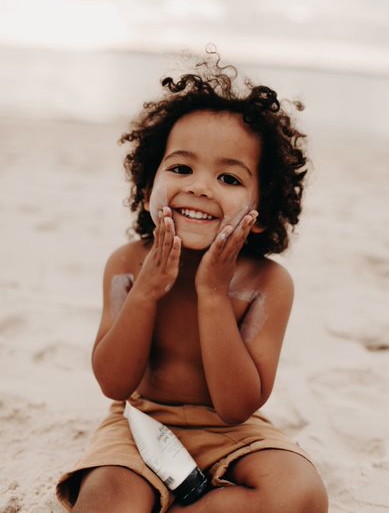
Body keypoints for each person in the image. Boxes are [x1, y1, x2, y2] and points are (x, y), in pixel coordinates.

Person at [56, 52, 328, 513]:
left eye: (228, 177)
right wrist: (146, 291)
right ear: (147, 190)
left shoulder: (266, 283)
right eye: (181, 169)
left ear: (261, 214)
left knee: (301, 493)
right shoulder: (127, 264)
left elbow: (237, 405)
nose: (200, 187)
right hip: (139, 424)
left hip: (231, 432)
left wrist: (213, 294)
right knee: (105, 500)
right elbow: (115, 383)